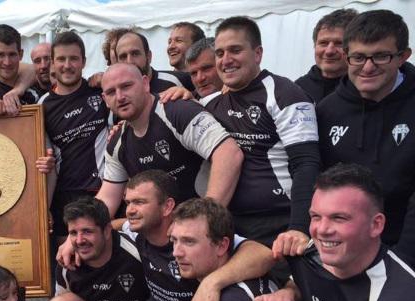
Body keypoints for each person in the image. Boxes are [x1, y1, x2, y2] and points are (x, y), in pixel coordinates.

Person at [59, 170, 280, 301]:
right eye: (128, 203)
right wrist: (72, 239)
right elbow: (111, 225)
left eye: (139, 202)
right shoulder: (137, 235)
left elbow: (262, 253)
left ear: (167, 207)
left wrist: (210, 284)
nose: (130, 210)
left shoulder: (192, 232)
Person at [202, 16, 320, 248]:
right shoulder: (212, 103)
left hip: (279, 224)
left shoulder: (285, 93)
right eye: (219, 53)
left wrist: (298, 227)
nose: (226, 60)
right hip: (229, 223)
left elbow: (306, 163)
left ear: (257, 53)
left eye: (235, 50)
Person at [315, 10, 415, 264]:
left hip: (405, 250)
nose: (368, 67)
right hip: (345, 253)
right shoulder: (327, 111)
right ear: (347, 57)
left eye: (381, 56)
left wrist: (402, 263)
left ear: (403, 57)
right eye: (358, 57)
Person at [98, 63, 242, 217]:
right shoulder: (116, 142)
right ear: (105, 99)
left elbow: (229, 154)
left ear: (145, 83)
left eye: (126, 86)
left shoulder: (178, 110)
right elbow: (107, 198)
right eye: (111, 92)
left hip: (204, 228)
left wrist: (206, 218)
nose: (120, 97)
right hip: (162, 233)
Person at [283, 163, 415, 301]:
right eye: (316, 217)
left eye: (339, 218)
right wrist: (287, 295)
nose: (323, 230)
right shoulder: (309, 255)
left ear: (376, 225)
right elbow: (300, 285)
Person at [39, 31, 112, 243]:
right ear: (52, 63)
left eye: (74, 58)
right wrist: (45, 205)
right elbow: (43, 157)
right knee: (68, 260)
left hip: (101, 192)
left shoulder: (100, 91)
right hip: (63, 197)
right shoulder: (42, 105)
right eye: (61, 59)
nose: (67, 65)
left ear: (83, 62)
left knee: (103, 256)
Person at [171, 197, 280, 301]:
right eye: (174, 240)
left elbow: (265, 254)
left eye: (189, 241)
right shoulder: (241, 269)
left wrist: (210, 283)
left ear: (222, 246)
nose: (176, 252)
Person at [46, 197, 151, 301]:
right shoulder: (67, 262)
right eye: (73, 233)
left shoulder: (137, 253)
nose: (79, 241)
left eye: (87, 231)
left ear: (107, 231)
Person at [295, 9, 358, 103]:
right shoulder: (297, 89)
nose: (329, 51)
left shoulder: (364, 89)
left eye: (339, 43)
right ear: (314, 46)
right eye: (323, 43)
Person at [115, 31, 195, 93]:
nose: (130, 61)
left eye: (135, 54)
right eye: (123, 57)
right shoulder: (113, 93)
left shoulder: (179, 80)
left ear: (149, 56)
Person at [185, 37, 223, 102]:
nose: (199, 79)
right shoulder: (186, 99)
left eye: (206, 69)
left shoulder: (243, 99)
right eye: (194, 73)